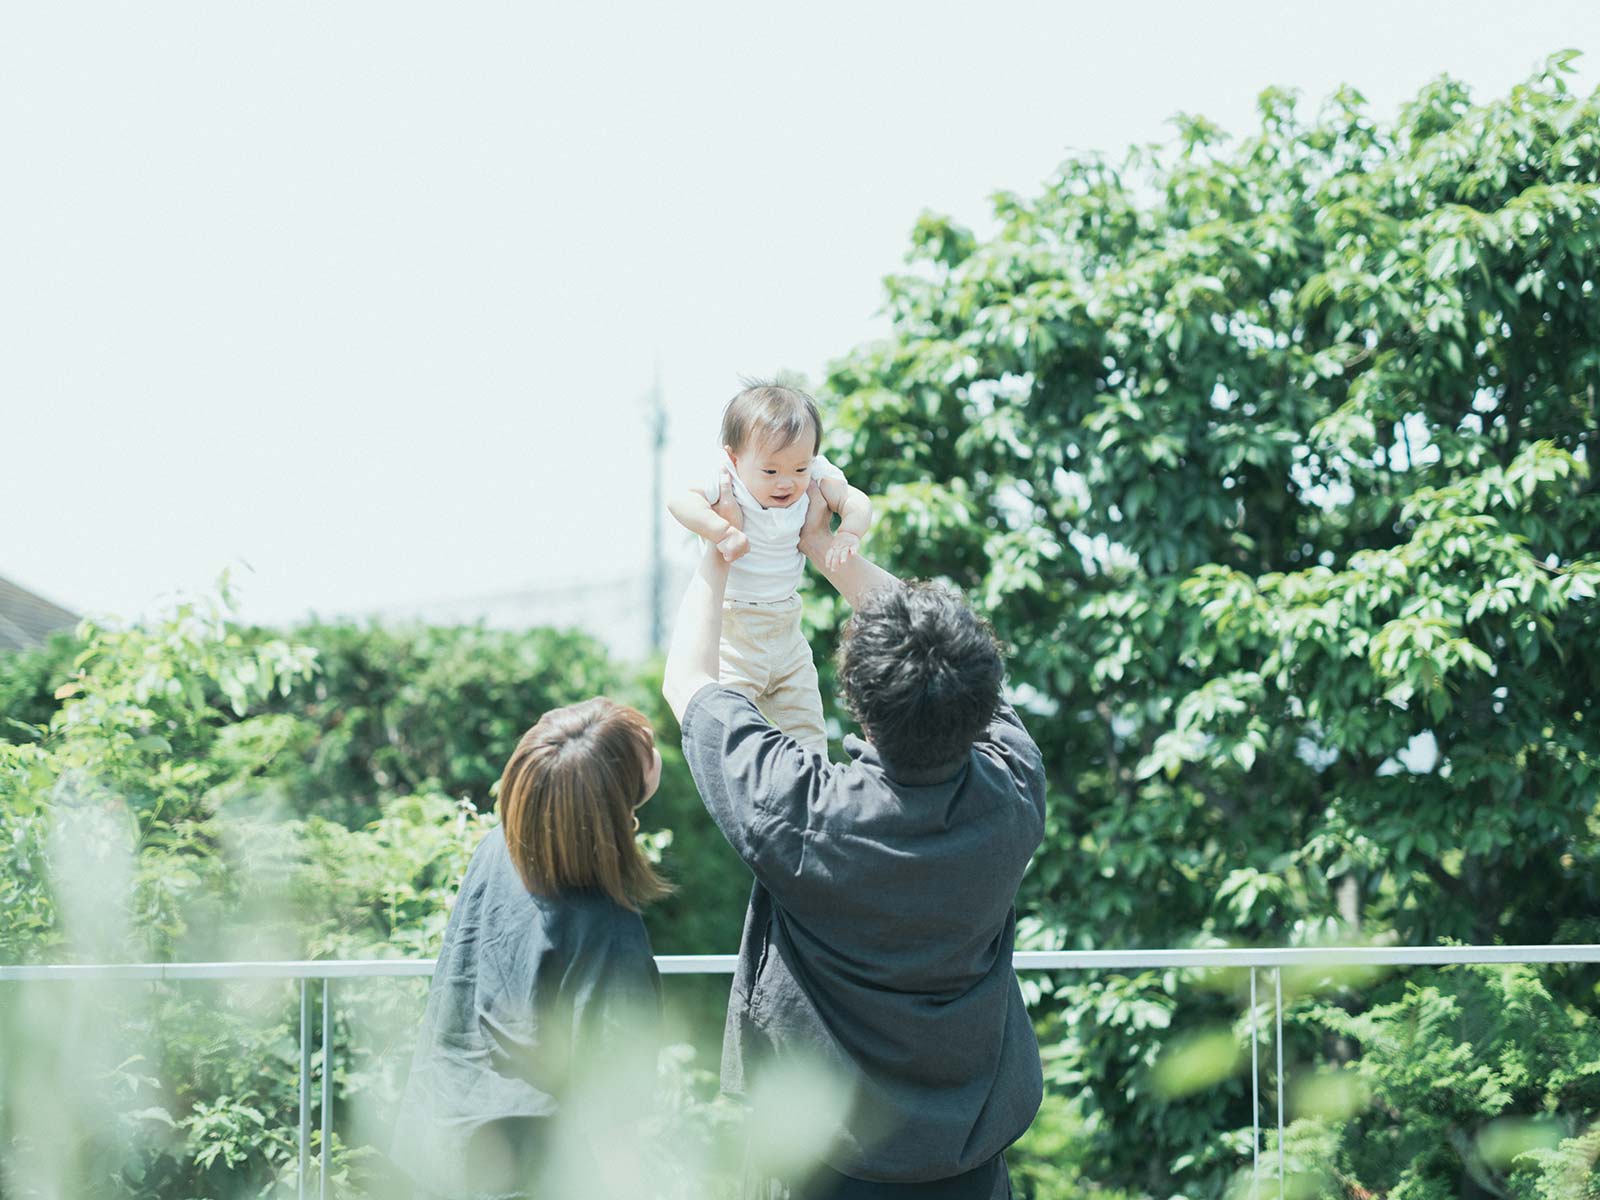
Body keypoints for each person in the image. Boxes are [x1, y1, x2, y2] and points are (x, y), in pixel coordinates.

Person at [662, 483, 1048, 1200]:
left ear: (859, 708)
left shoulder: (805, 809)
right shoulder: (1012, 794)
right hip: (967, 1167)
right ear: (981, 698)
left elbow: (689, 683)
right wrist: (826, 550)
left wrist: (725, 550)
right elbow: (957, 659)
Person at [390, 698, 671, 1200]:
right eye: (644, 747)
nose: (654, 747)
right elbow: (614, 1124)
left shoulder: (497, 849)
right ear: (620, 792)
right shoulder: (609, 930)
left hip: (440, 1152)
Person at [666, 380, 872, 755]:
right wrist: (721, 531)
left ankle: (814, 790)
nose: (787, 482)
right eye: (771, 472)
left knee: (808, 727)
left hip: (787, 627)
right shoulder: (725, 479)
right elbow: (680, 501)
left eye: (799, 468)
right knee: (732, 728)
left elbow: (855, 500)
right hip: (735, 629)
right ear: (734, 458)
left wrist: (849, 532)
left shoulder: (818, 473)